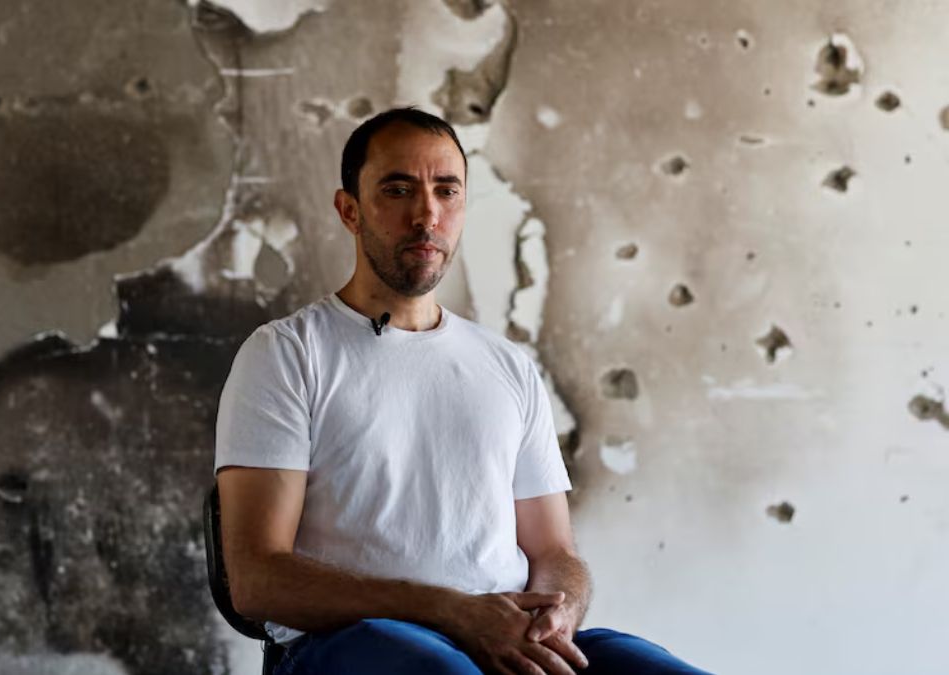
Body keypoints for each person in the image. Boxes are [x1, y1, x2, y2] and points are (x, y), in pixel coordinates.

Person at [214, 107, 712, 675]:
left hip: (501, 634)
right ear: (349, 210)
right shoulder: (286, 354)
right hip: (346, 646)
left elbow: (554, 553)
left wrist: (559, 610)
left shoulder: (507, 367)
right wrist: (450, 612)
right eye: (398, 189)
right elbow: (257, 580)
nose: (426, 213)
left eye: (446, 191)